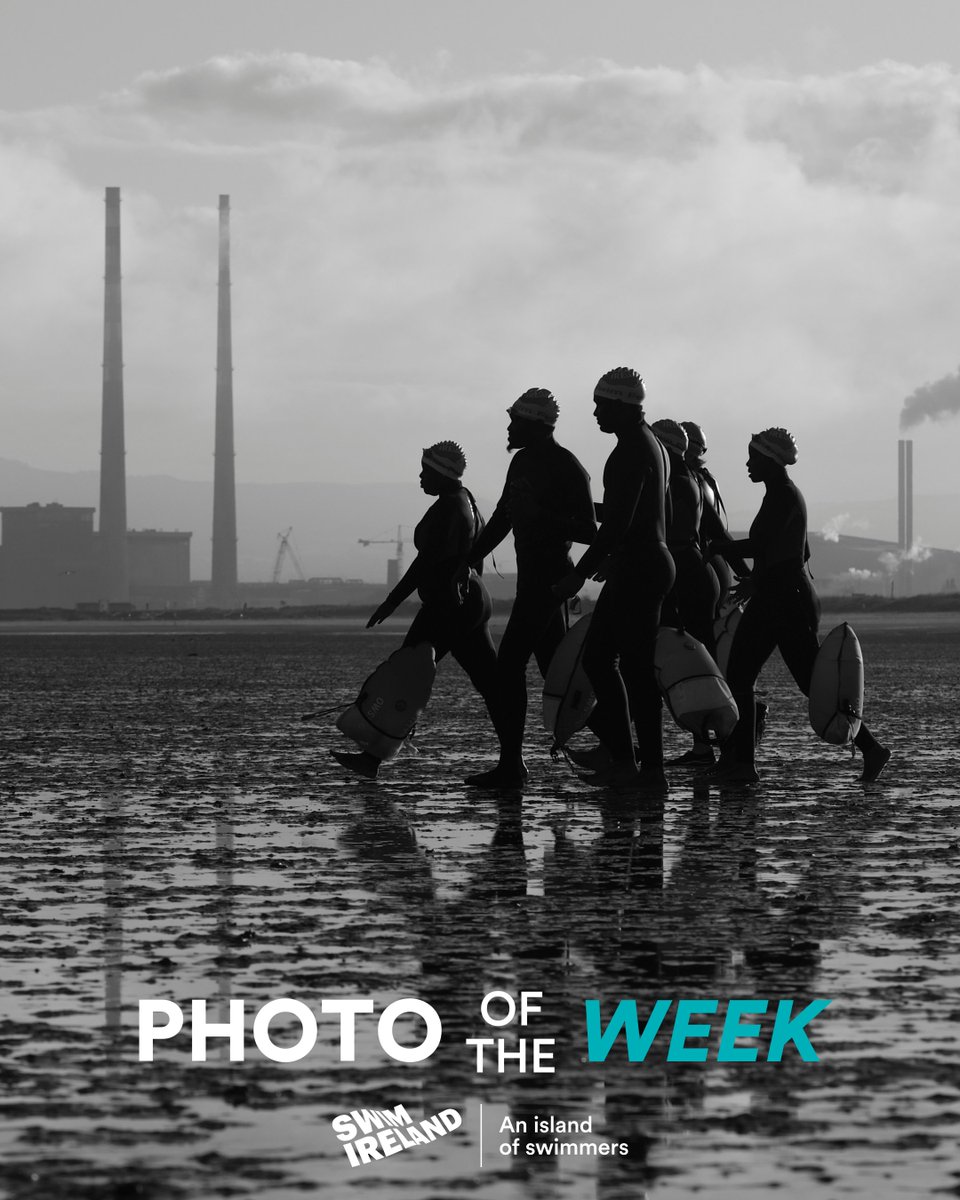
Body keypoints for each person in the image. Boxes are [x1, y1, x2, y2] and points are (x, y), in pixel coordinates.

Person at [708, 427, 891, 784]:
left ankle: (743, 764)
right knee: (807, 683)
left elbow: (762, 546)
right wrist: (756, 581)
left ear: (771, 460)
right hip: (783, 597)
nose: (747, 463)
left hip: (783, 602)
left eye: (754, 457)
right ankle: (871, 749)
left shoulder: (782, 496)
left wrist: (720, 547)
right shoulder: (783, 494)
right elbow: (794, 551)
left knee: (743, 677)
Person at [331, 441, 498, 779]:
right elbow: (473, 559)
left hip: (448, 608)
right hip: (473, 603)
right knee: (491, 683)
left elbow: (424, 565)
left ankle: (372, 759)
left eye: (426, 472)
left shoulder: (448, 508)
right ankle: (513, 760)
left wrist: (392, 601)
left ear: (441, 473)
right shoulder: (469, 502)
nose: (421, 478)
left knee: (404, 676)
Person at [463, 388, 597, 788]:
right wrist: (471, 556)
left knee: (509, 667)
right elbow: (504, 517)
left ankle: (511, 765)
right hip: (532, 583)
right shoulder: (522, 461)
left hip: (551, 582)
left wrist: (541, 516)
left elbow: (590, 531)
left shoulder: (567, 467)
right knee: (555, 669)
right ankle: (622, 749)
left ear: (536, 425)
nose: (508, 427)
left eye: (515, 421)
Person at [554, 367, 675, 790]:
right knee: (618, 664)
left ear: (623, 406)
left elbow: (618, 523)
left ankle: (640, 766)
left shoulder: (629, 451)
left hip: (641, 569)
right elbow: (655, 515)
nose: (594, 413)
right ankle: (635, 764)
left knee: (618, 665)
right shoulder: (653, 446)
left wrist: (579, 575)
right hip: (647, 563)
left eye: (601, 405)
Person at [652, 419, 722, 767]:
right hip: (698, 575)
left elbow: (640, 522)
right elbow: (718, 532)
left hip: (684, 579)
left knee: (686, 665)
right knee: (699, 664)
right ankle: (710, 745)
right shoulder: (694, 480)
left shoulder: (672, 482)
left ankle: (727, 740)